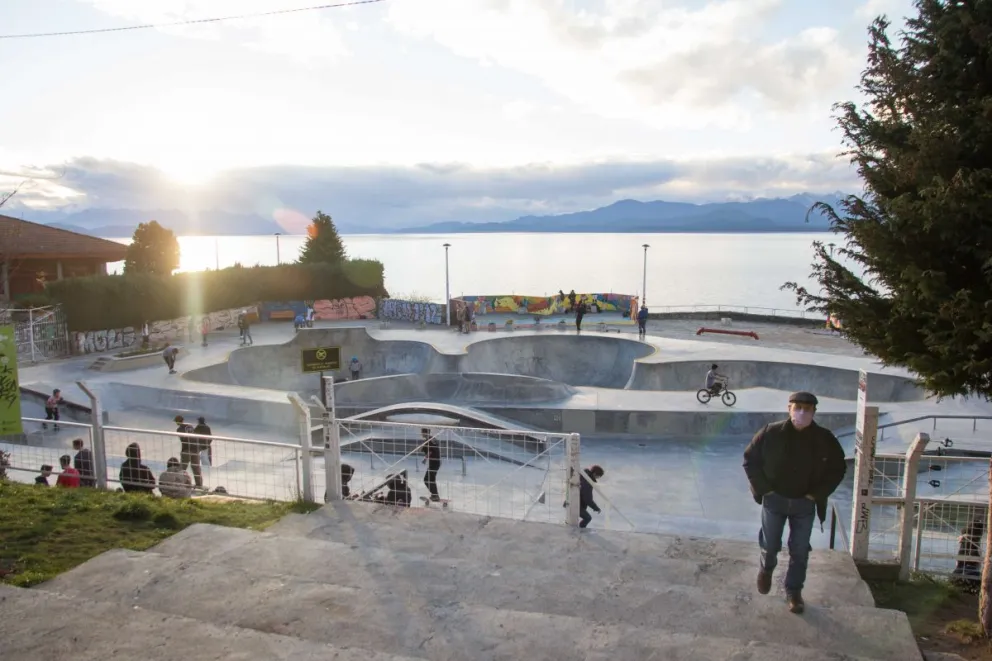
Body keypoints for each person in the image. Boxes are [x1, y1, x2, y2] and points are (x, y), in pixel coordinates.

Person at [743, 391, 847, 614]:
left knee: (799, 550)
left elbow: (838, 468)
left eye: (807, 409)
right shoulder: (771, 432)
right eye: (797, 407)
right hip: (775, 500)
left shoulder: (824, 438)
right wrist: (765, 490)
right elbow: (750, 460)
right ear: (789, 409)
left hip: (805, 503)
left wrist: (816, 494)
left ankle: (794, 592)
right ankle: (767, 568)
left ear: (814, 412)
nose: (801, 412)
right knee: (770, 544)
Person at [175, 415, 204, 489]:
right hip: (196, 448)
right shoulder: (190, 426)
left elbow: (183, 439)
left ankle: (179, 483)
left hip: (187, 449)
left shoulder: (179, 429)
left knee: (182, 468)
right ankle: (199, 484)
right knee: (196, 467)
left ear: (178, 422)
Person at [421, 428, 442, 502]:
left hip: (434, 463)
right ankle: (434, 495)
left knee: (426, 479)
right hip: (436, 462)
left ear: (425, 433)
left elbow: (431, 451)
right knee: (431, 479)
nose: (421, 434)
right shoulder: (433, 439)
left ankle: (435, 495)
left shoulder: (429, 441)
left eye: (422, 433)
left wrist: (425, 458)